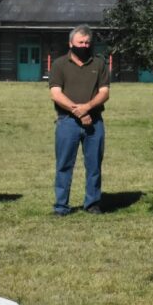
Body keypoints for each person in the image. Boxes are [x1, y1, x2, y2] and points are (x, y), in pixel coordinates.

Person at [49, 25, 110, 216]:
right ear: (70, 43)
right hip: (67, 122)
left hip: (95, 122)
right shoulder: (59, 64)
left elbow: (105, 92)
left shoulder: (99, 64)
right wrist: (79, 112)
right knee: (64, 165)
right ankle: (61, 206)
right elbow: (56, 94)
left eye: (87, 43)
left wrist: (88, 108)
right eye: (80, 42)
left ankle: (92, 203)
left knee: (94, 166)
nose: (84, 46)